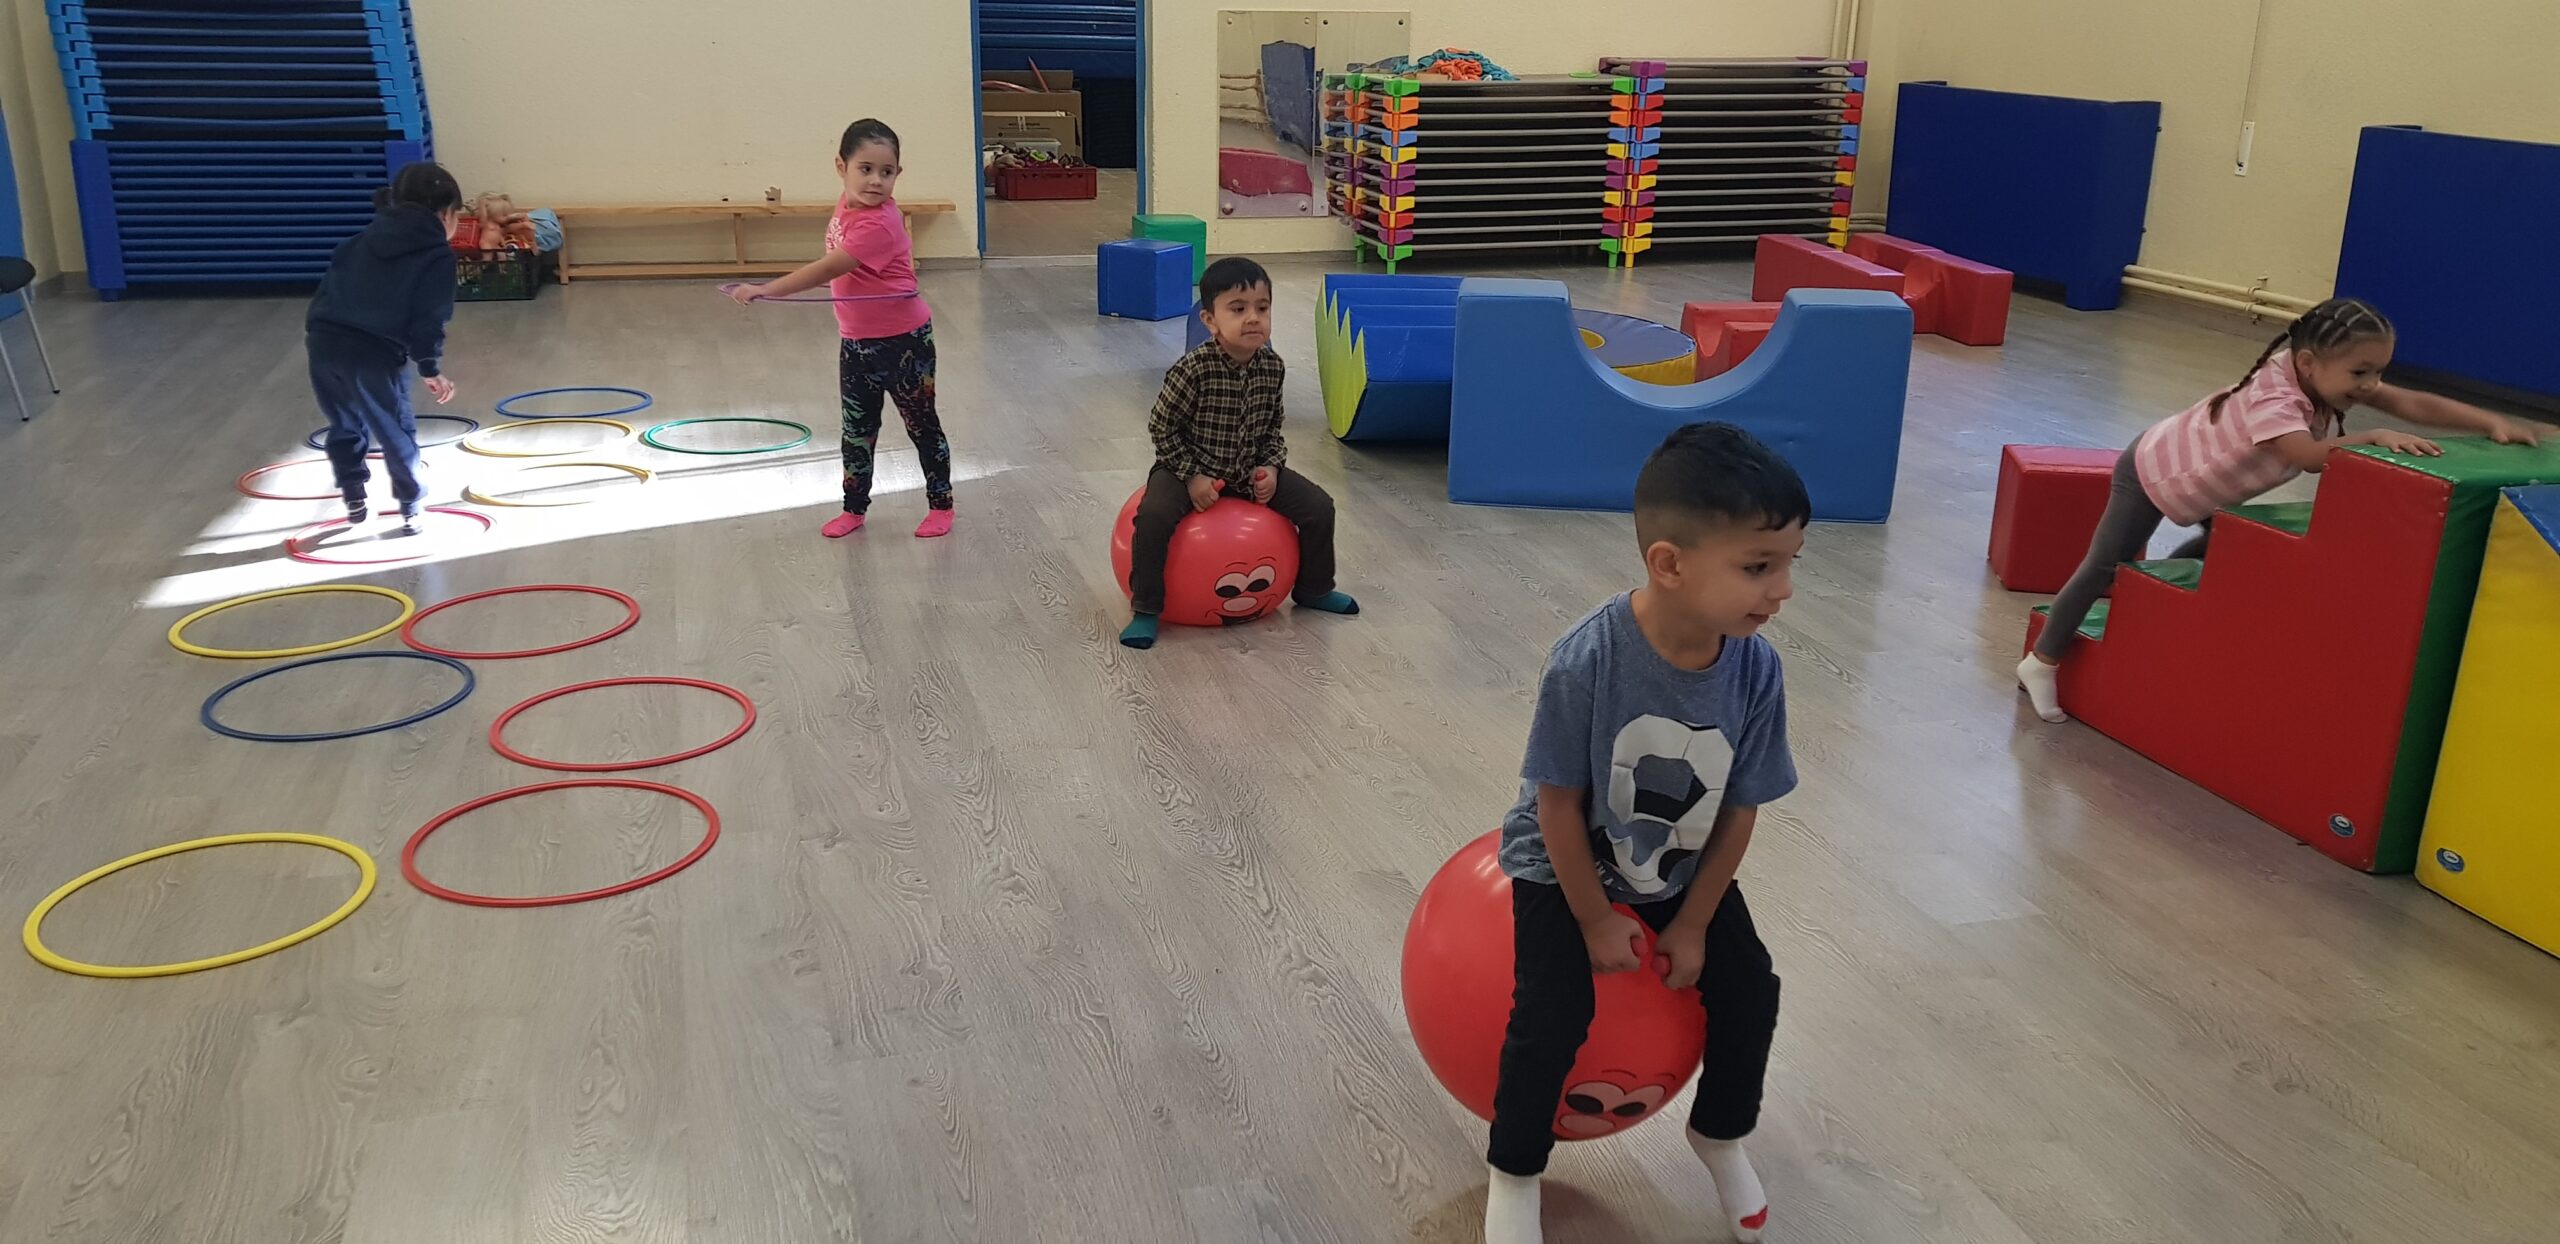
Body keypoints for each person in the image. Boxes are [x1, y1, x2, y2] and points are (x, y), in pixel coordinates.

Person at [1484, 422, 1801, 1244]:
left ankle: (1719, 1134)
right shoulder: (1587, 660)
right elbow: (1556, 806)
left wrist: (1692, 922)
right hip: (1565, 863)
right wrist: (1594, 918)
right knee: (1553, 1010)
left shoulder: (1757, 669)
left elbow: (1740, 808)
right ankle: (1514, 1172)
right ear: (1669, 563)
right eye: (1759, 567)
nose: (1783, 589)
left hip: (1676, 861)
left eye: (1789, 563)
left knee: (1751, 987)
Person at [2017, 297, 2543, 722]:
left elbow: (2411, 402)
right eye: (2361, 372)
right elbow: (2307, 457)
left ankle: (2158, 602)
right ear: (2309, 363)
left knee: (2224, 545)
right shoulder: (2275, 398)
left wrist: (2487, 421)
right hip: (2156, 470)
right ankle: (2042, 660)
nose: (2370, 385)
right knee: (2103, 566)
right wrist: (2372, 437)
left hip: (2212, 486)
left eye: (2378, 372)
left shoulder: (2321, 375)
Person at [1119, 257, 1359, 649]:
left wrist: (1270, 467)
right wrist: (1192, 476)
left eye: (1262, 308)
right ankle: (1146, 608)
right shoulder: (1192, 369)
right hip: (1188, 466)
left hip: (1247, 469)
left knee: (1319, 507)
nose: (1252, 319)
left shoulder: (1272, 366)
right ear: (1210, 320)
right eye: (1237, 309)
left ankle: (1314, 589)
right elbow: (1162, 427)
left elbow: (1272, 428)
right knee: (1153, 517)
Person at [729, 119, 953, 539]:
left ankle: (941, 505)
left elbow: (826, 269)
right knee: (856, 431)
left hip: (904, 343)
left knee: (921, 425)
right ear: (841, 167)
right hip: (856, 342)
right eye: (865, 169)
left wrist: (765, 289)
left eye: (887, 172)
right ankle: (854, 509)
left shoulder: (879, 224)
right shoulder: (848, 206)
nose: (876, 181)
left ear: (898, 174)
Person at [306, 161, 462, 534]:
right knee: (394, 428)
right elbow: (429, 317)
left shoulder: (360, 240)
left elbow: (331, 288)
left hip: (322, 342)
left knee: (344, 423)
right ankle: (411, 506)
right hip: (374, 352)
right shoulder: (437, 255)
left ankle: (354, 497)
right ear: (445, 215)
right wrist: (429, 365)